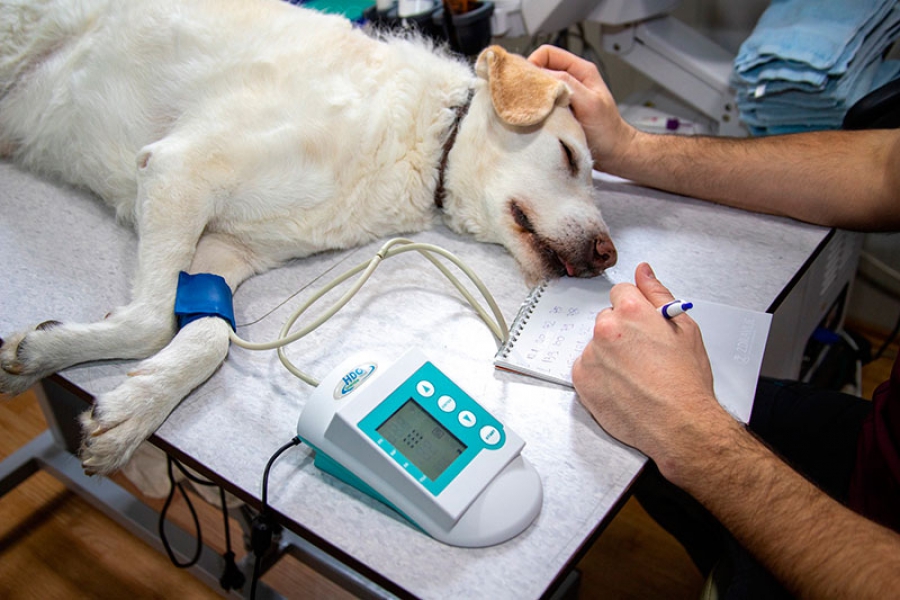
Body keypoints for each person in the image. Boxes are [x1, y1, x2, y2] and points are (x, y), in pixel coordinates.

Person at [528, 44, 900, 599]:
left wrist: (691, 433)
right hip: (880, 457)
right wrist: (629, 148)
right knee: (626, 442)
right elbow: (881, 169)